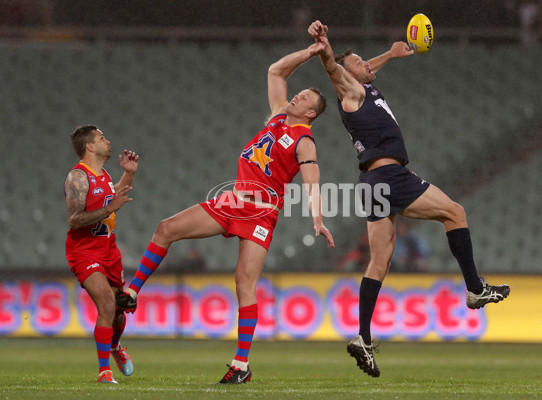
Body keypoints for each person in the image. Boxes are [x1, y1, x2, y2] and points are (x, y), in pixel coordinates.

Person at [115, 42, 335, 384]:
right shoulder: (278, 116)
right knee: (166, 228)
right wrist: (310, 51)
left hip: (260, 214)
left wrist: (318, 219)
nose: (299, 97)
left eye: (306, 98)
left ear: (311, 114)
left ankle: (241, 365)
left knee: (244, 284)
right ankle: (132, 292)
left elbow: (312, 179)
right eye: (301, 92)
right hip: (231, 202)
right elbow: (276, 70)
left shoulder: (304, 140)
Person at [308, 20, 510, 378]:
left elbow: (362, 67)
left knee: (379, 262)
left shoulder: (365, 88)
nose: (367, 64)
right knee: (455, 212)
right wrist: (325, 44)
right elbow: (332, 66)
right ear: (347, 72)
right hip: (391, 176)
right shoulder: (349, 91)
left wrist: (389, 54)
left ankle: (363, 337)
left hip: (371, 181)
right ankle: (475, 288)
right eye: (360, 62)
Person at [64, 125, 139, 384]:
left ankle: (115, 346)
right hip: (84, 252)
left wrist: (128, 174)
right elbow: (74, 220)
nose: (108, 141)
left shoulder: (104, 175)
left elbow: (114, 198)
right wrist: (109, 208)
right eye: (102, 138)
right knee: (106, 304)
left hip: (109, 251)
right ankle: (104, 372)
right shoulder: (78, 178)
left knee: (118, 310)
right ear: (90, 146)